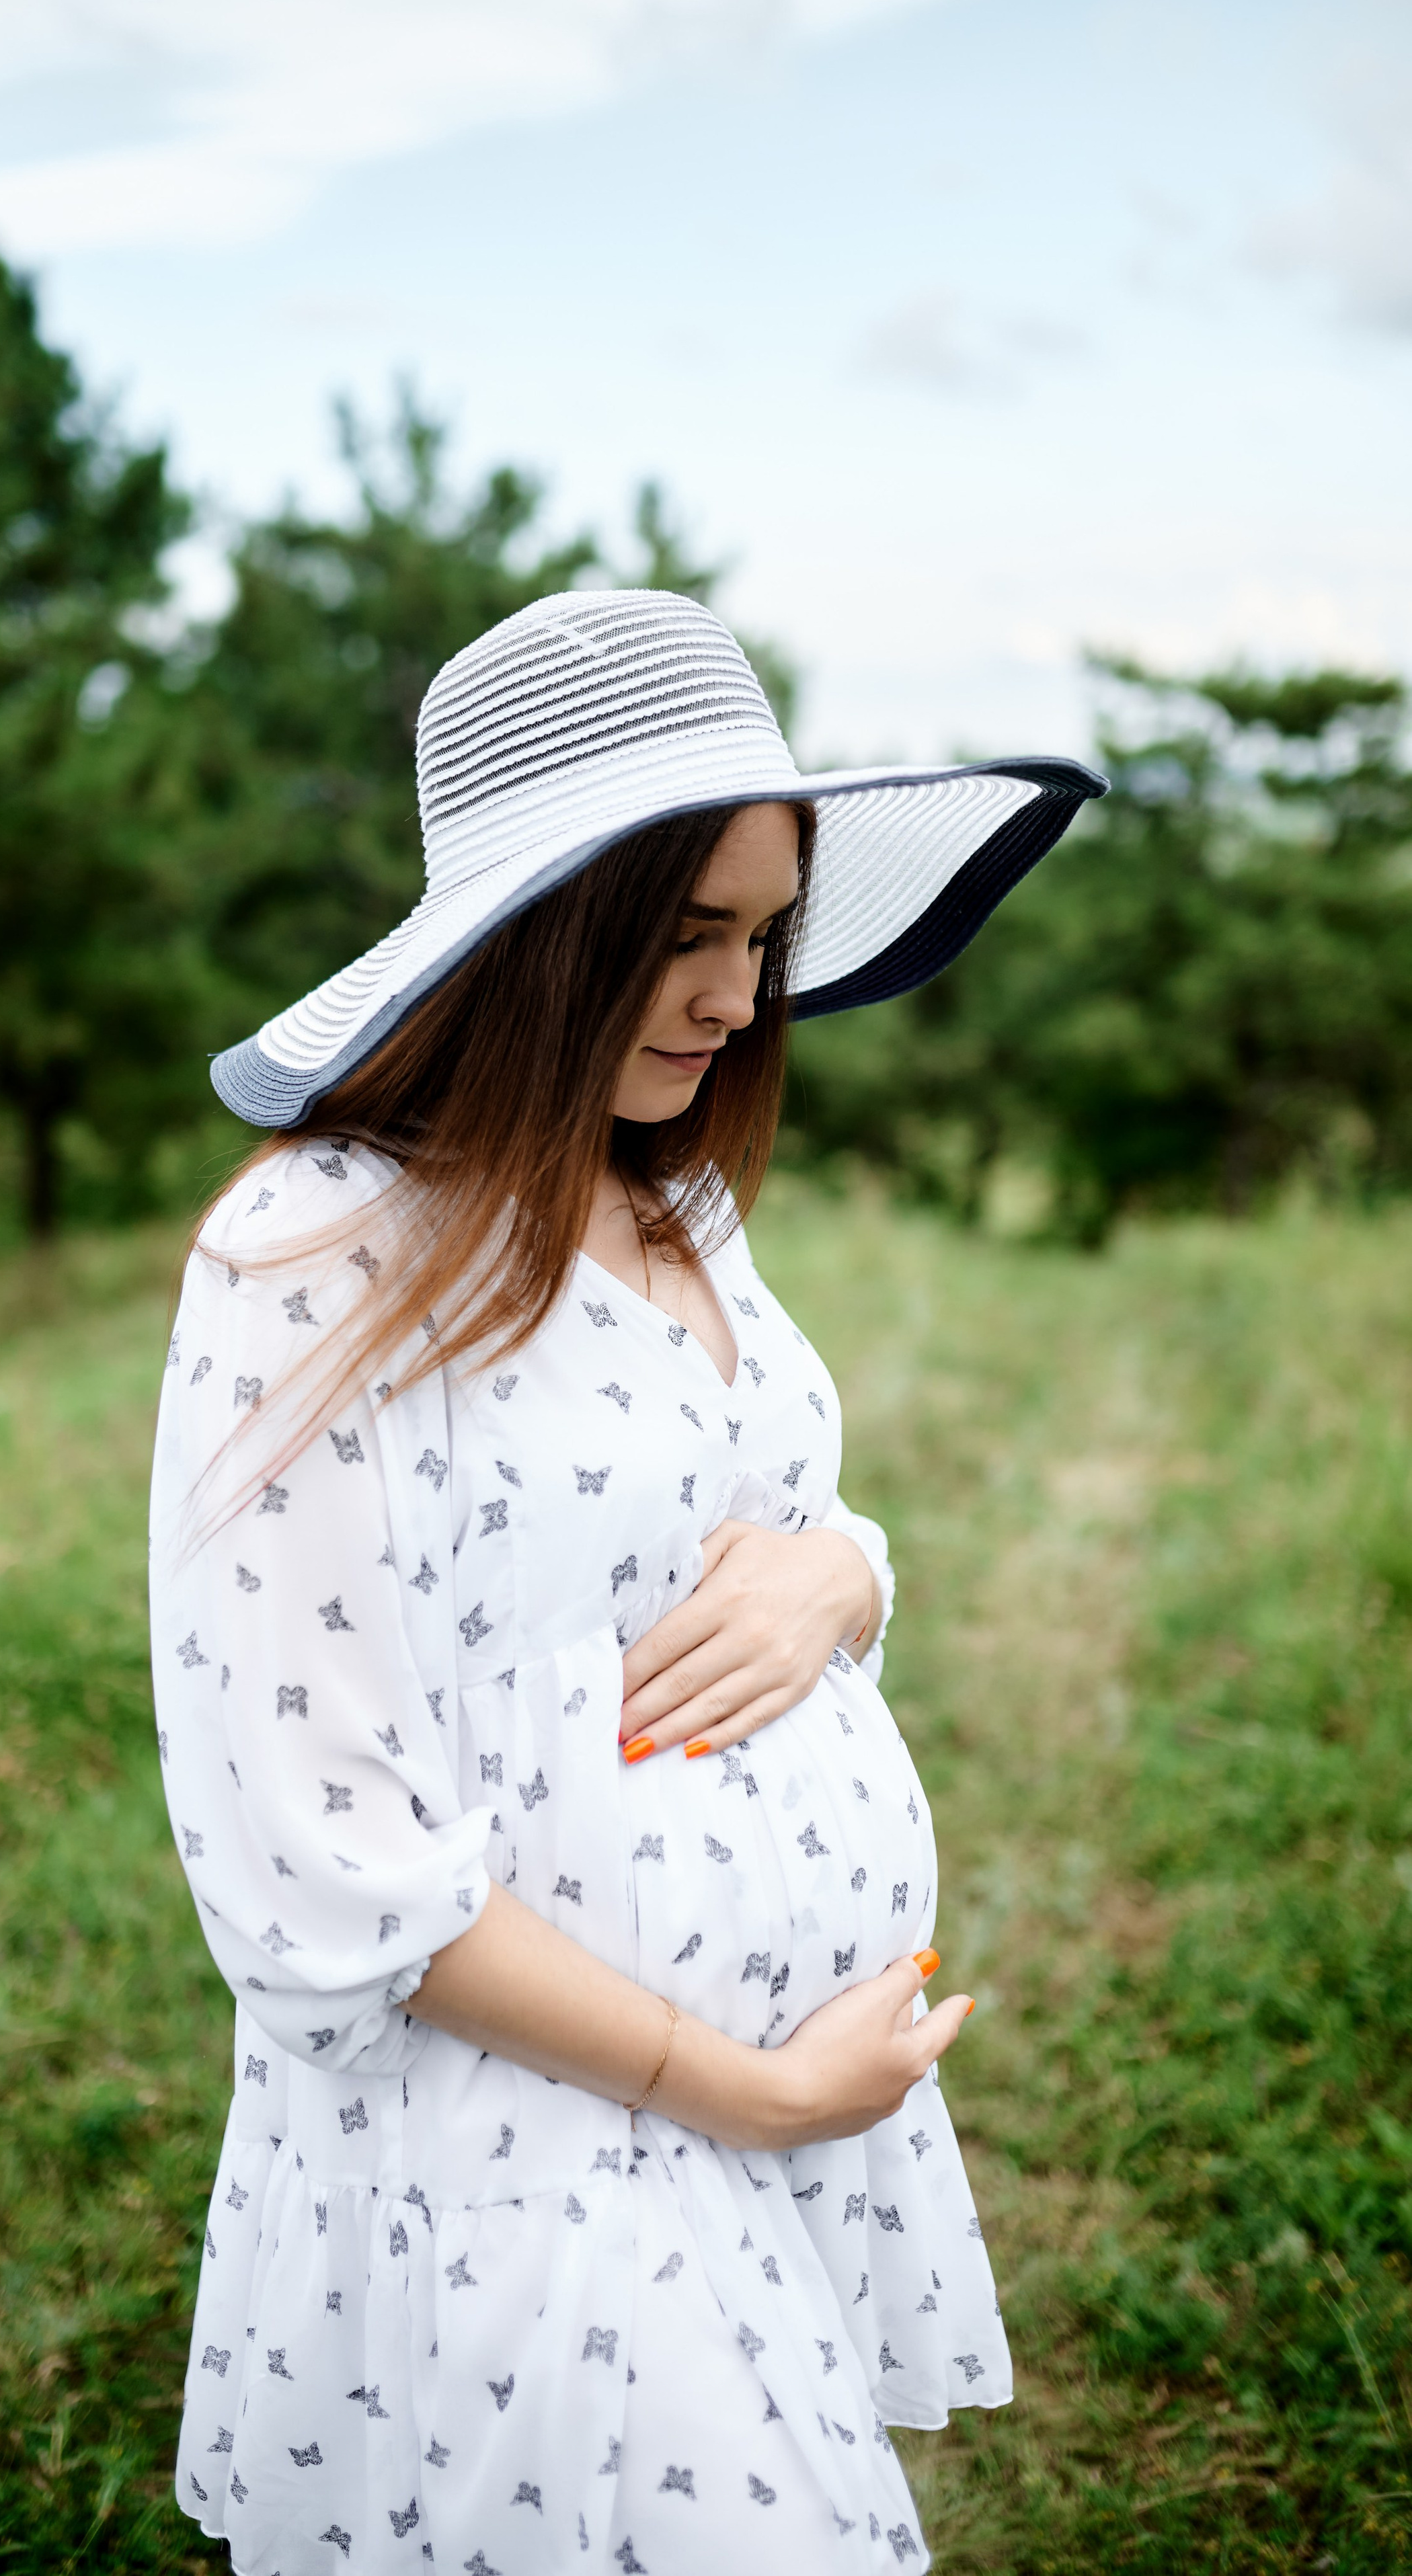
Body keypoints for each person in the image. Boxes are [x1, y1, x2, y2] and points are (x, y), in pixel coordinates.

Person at [149, 589, 1103, 2574]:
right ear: (536, 929)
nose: (742, 998)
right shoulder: (316, 1253)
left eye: (763, 934)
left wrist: (849, 1574)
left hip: (749, 2110)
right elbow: (317, 1860)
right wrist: (741, 2090)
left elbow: (762, 1515)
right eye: (684, 938)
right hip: (538, 2147)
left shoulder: (663, 1188)